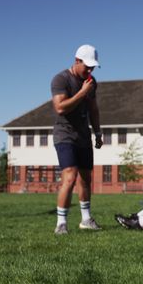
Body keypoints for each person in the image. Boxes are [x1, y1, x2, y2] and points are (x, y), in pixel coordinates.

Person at [51, 44, 103, 235]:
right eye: (87, 66)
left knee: (86, 179)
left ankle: (86, 220)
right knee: (70, 176)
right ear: (76, 61)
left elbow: (93, 109)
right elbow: (60, 108)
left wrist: (97, 133)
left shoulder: (91, 81)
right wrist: (82, 92)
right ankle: (61, 223)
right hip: (64, 134)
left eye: (93, 67)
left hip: (83, 135)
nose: (90, 70)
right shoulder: (61, 79)